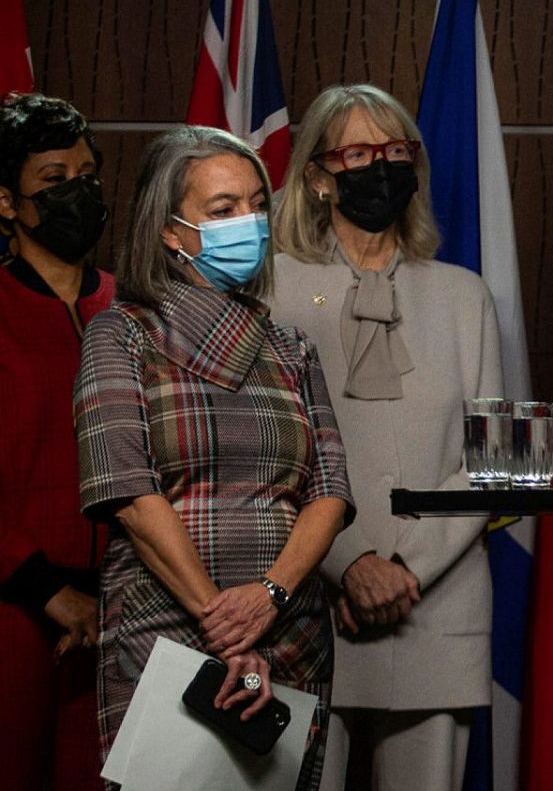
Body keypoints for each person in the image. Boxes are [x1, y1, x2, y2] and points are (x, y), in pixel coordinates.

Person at [74, 126, 354, 790]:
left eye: (257, 205)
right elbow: (129, 496)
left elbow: (331, 493)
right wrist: (224, 624)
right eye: (223, 210)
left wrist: (269, 595)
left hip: (289, 631)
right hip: (166, 629)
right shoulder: (120, 334)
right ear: (171, 231)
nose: (248, 224)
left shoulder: (291, 348)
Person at [266, 84, 501, 791]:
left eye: (397, 152)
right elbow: (271, 454)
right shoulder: (273, 290)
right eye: (360, 153)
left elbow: (493, 461)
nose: (382, 169)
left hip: (437, 605)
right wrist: (351, 562)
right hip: (309, 606)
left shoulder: (465, 295)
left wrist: (404, 570)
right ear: (317, 176)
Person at [0, 94, 114, 790]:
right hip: (14, 608)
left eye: (88, 174)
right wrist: (48, 590)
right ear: (7, 203)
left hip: (118, 612)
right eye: (53, 179)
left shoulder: (130, 309)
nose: (78, 191)